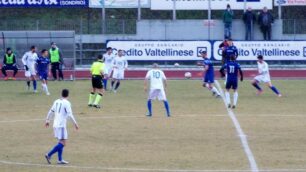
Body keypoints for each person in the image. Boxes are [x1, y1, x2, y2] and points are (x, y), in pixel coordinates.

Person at [45, 89, 79, 165]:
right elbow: (70, 115)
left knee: (60, 142)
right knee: (63, 143)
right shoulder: (67, 103)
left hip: (55, 124)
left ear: (61, 94)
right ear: (68, 95)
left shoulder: (56, 101)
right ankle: (49, 154)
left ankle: (60, 160)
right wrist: (75, 124)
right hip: (61, 125)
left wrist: (47, 120)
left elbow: (51, 111)